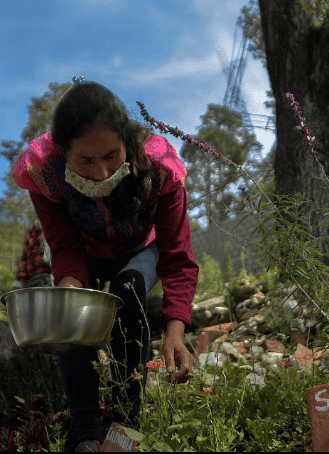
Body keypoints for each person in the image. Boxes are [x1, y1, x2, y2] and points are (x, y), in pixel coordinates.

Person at [12, 79, 199, 452]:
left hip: (140, 250)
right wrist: (69, 290)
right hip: (85, 253)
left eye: (112, 156)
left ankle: (126, 425)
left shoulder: (161, 169)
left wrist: (175, 331)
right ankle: (86, 432)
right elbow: (65, 245)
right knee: (73, 311)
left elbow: (177, 257)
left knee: (130, 289)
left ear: (126, 142)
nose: (100, 173)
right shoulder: (44, 174)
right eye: (85, 161)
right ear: (64, 153)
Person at [12, 223, 53, 290]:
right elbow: (24, 258)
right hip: (32, 280)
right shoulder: (33, 231)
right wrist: (19, 281)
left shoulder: (57, 227)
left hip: (51, 277)